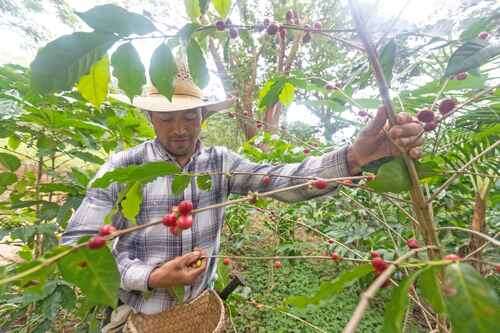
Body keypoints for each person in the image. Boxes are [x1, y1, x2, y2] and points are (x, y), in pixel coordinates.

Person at [61, 62, 423, 328]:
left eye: (190, 116)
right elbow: (78, 245)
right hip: (141, 318)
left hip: (200, 315)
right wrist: (148, 277)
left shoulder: (220, 164)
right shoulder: (123, 168)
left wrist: (353, 158)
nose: (180, 128)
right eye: (167, 118)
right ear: (151, 118)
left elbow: (283, 180)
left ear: (203, 116)